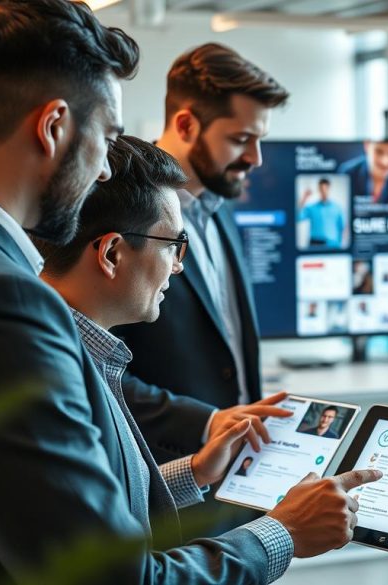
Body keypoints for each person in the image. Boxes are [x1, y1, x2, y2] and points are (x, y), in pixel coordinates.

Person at [0, 2, 380, 583]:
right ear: (53, 127)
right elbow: (110, 577)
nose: (104, 171)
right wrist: (283, 532)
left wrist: (190, 473)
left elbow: (30, 506)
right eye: (106, 137)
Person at [37, 135, 297, 510]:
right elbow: (107, 544)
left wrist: (196, 470)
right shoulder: (52, 378)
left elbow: (112, 507)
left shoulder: (80, 353)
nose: (177, 265)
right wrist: (285, 530)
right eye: (172, 245)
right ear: (112, 254)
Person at [112, 43, 290, 534]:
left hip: (240, 483)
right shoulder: (119, 211)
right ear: (187, 124)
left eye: (260, 139)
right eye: (241, 139)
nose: (255, 158)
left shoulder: (221, 209)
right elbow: (98, 365)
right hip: (161, 487)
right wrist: (208, 422)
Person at [297, 177, 345, 248]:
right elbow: (297, 218)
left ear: (329, 188)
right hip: (315, 244)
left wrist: (340, 245)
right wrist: (304, 198)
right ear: (319, 190)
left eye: (325, 189)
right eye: (321, 189)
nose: (324, 192)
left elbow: (343, 227)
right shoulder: (312, 207)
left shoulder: (338, 208)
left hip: (332, 244)